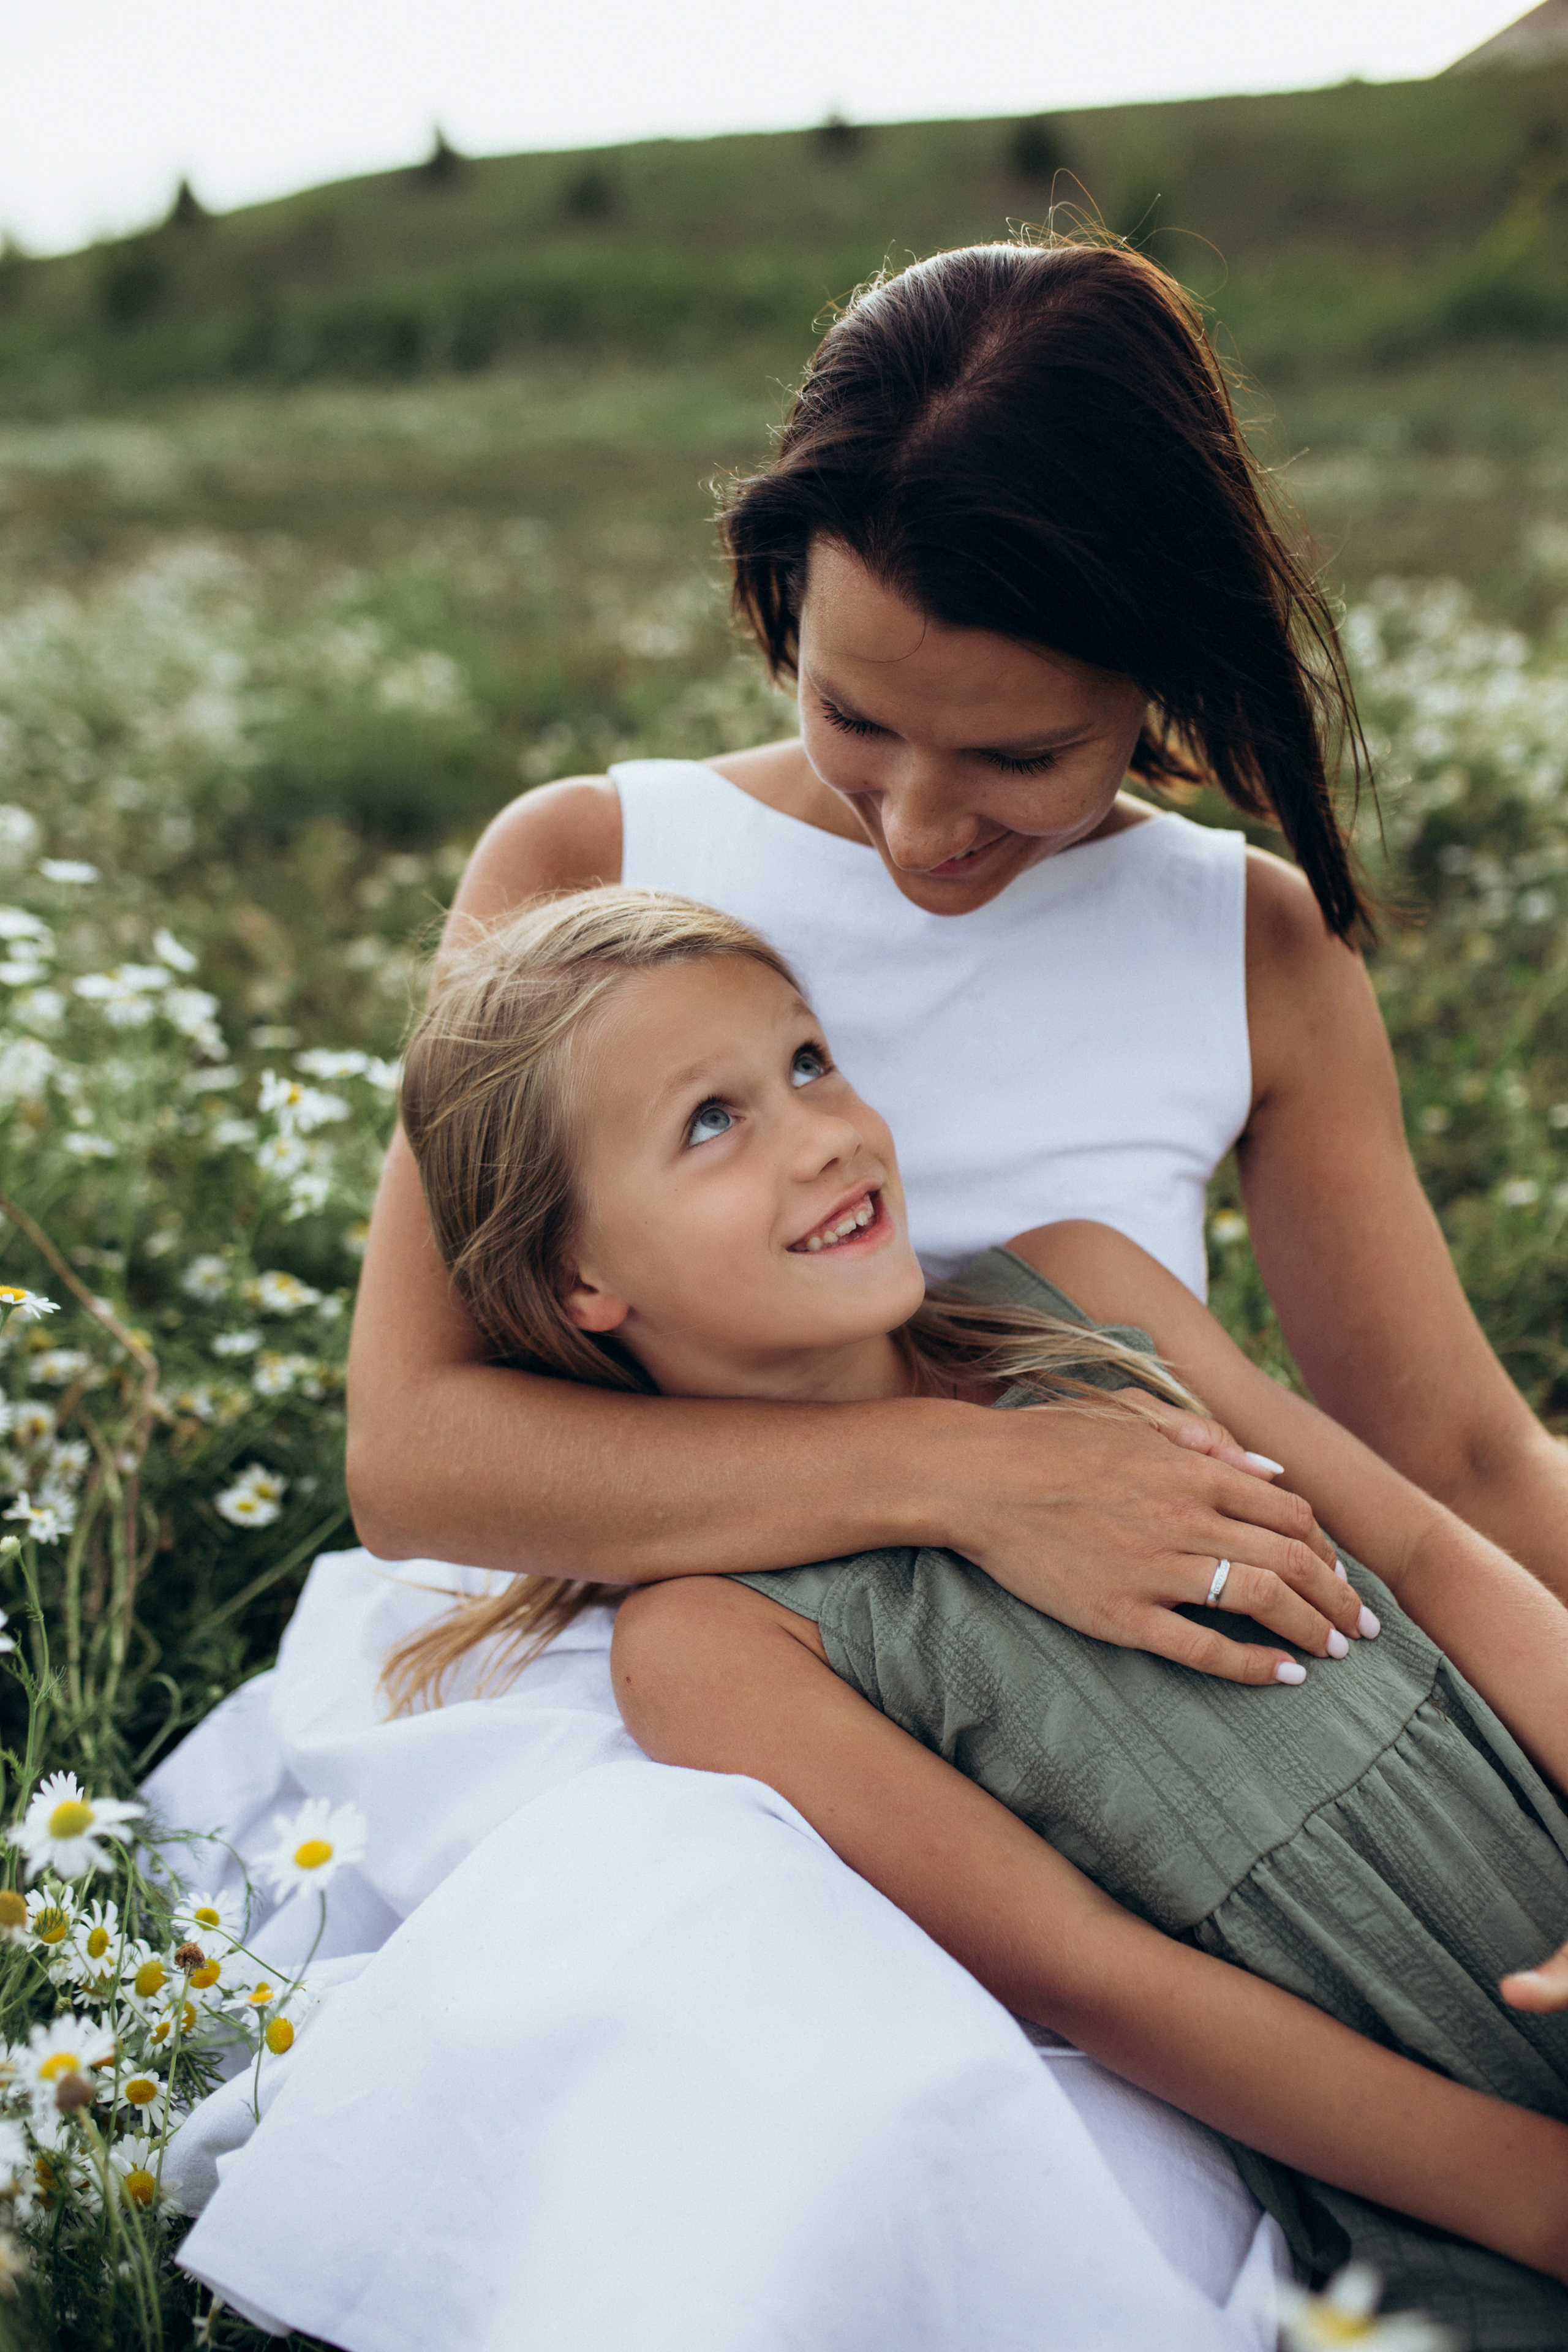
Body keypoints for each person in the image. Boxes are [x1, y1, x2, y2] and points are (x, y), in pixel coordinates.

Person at [170, 233, 1567, 2342]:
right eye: (849, 718)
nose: (919, 826)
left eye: (1015, 758)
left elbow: (1447, 1457)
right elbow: (425, 1450)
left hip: (1167, 1658)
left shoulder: (1248, 948)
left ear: (1160, 670)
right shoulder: (591, 866)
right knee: (855, 2127)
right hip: (703, 1646)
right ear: (776, 604)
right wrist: (962, 1479)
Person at [384, 883, 1568, 2345]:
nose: (822, 1132)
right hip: (1421, 2126)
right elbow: (1087, 1971)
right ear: (581, 1279)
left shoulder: (1077, 1291)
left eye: (807, 1061)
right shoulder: (709, 1642)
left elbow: (1425, 1548)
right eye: (710, 1121)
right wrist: (1530, 2190)